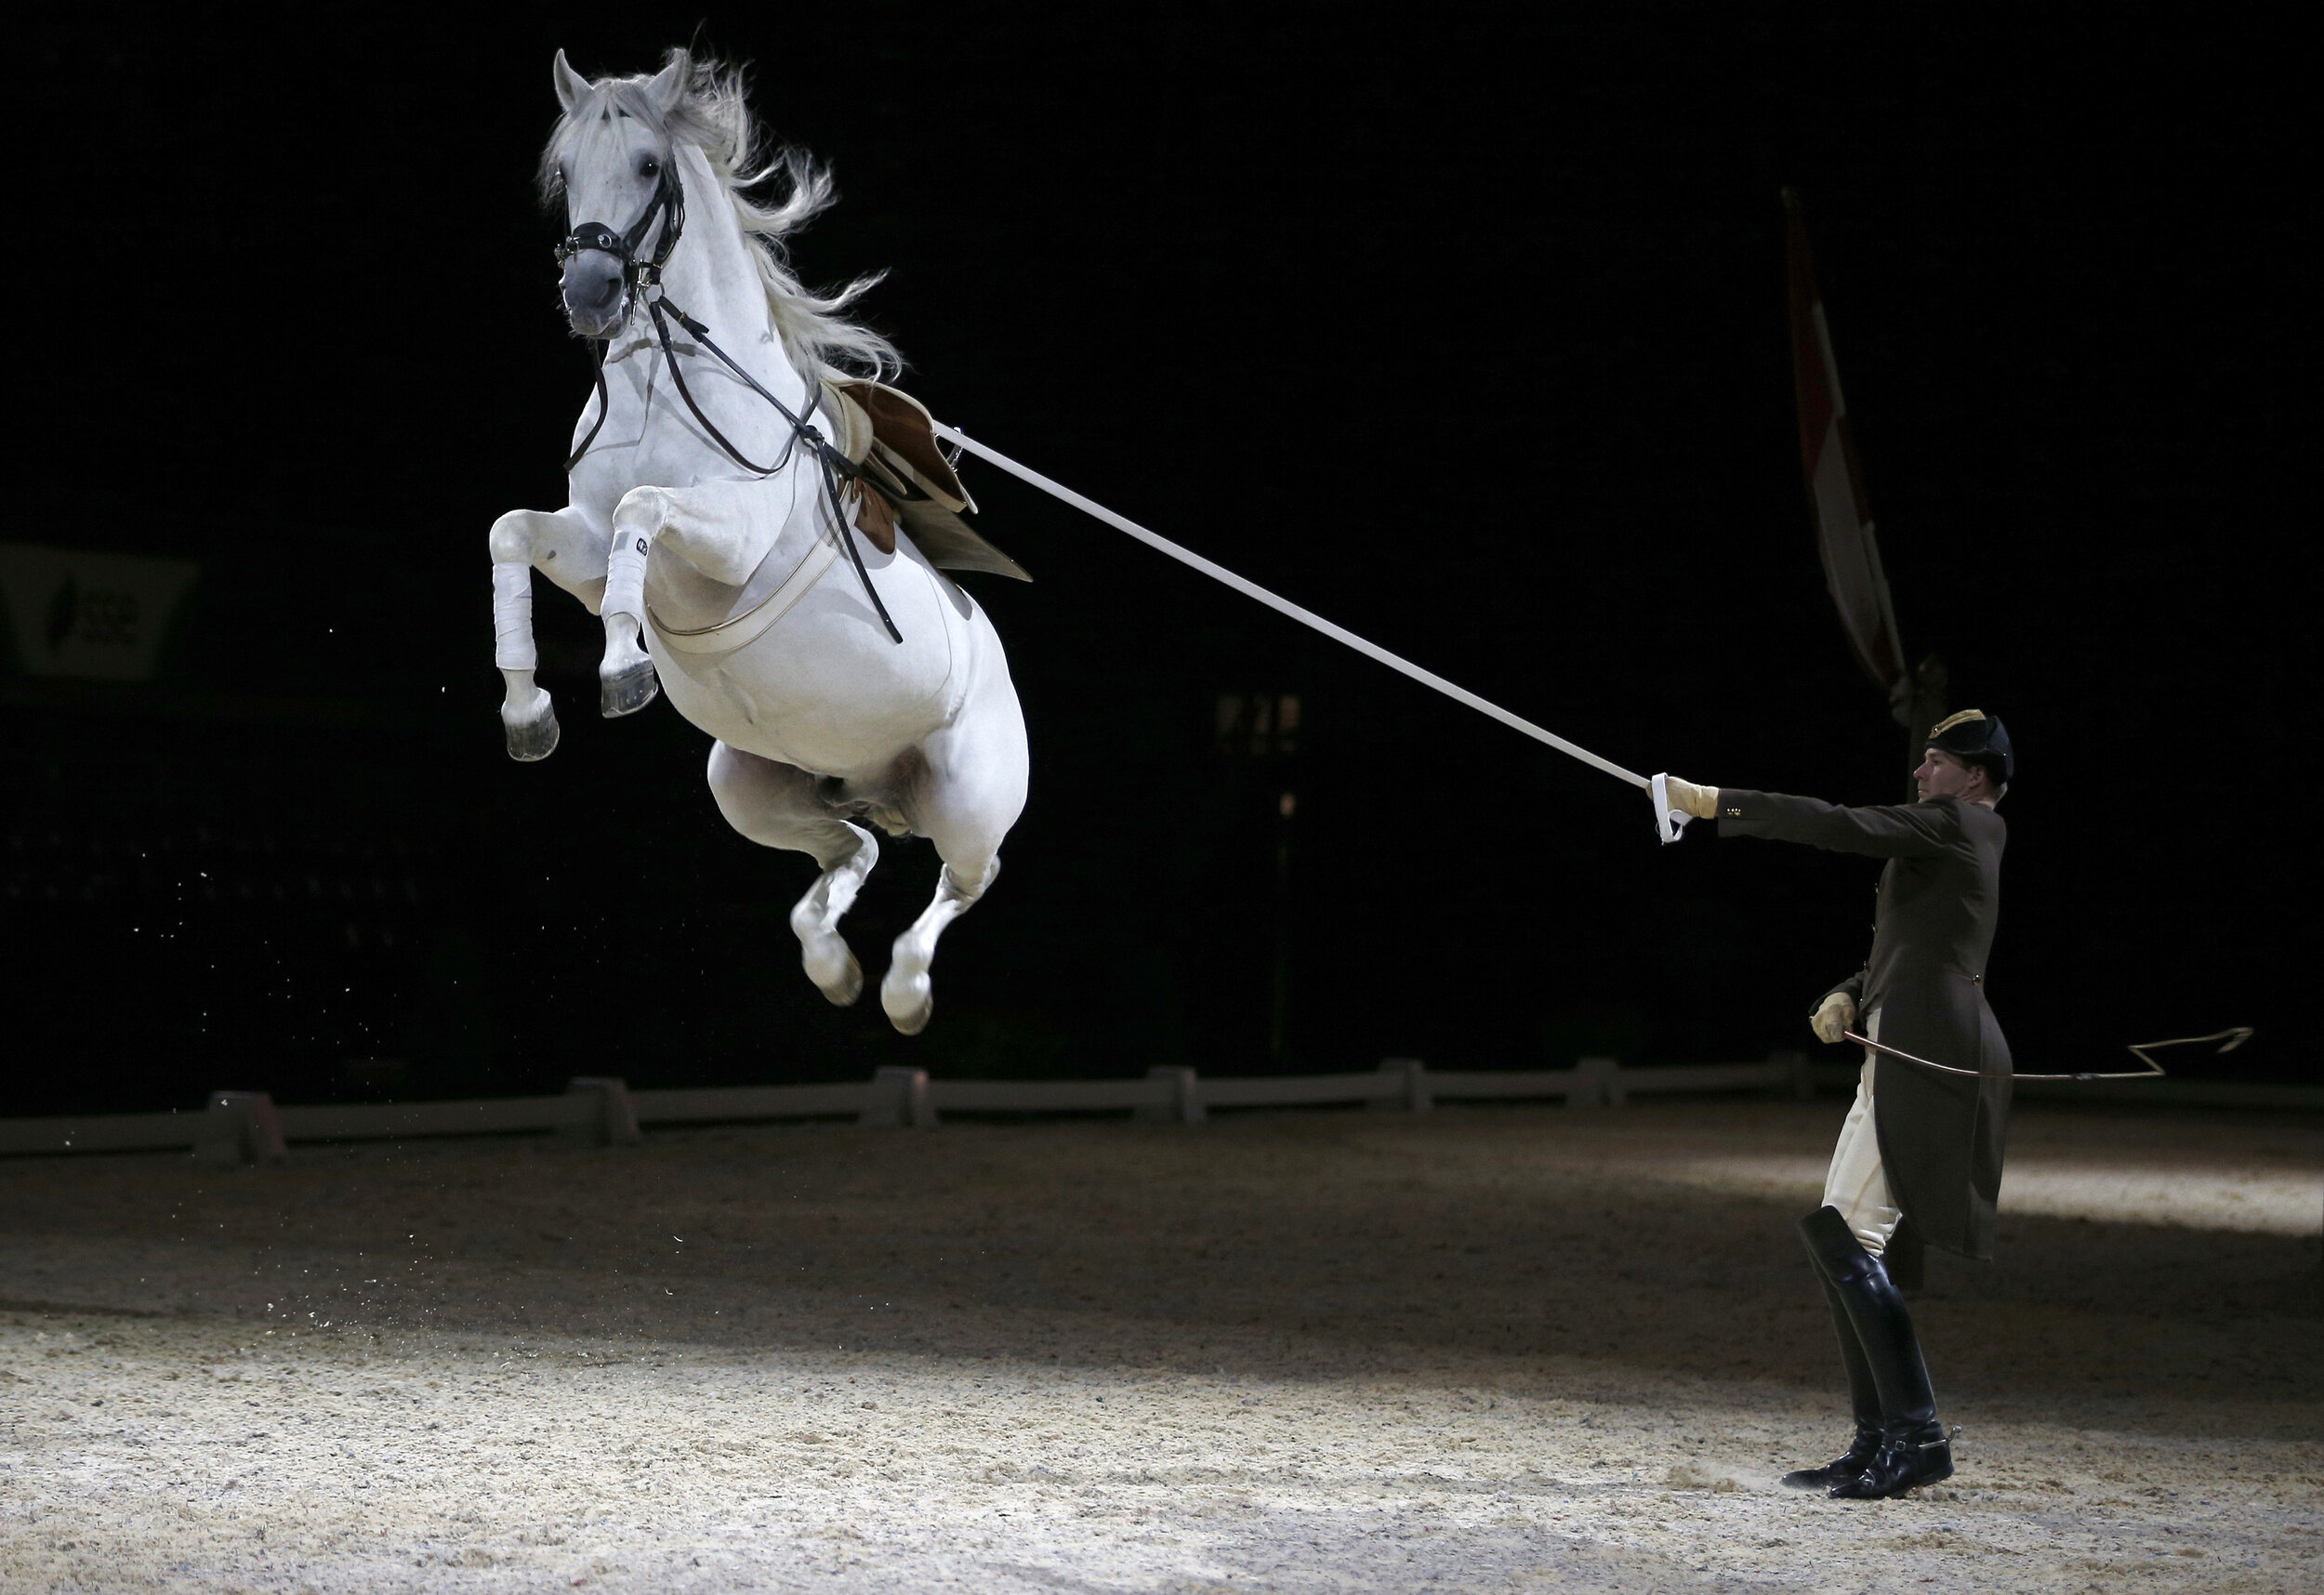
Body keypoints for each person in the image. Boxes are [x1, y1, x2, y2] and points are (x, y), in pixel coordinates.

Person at [1662, 709, 2014, 1500]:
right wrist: (1849, 992)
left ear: (1976, 777)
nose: (1921, 773)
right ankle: (1873, 1440)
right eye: (1922, 761)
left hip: (1932, 1053)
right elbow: (1908, 946)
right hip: (1893, 1041)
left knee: (1850, 1238)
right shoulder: (1949, 832)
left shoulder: (1967, 825)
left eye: (1937, 761)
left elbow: (1839, 825)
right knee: (1841, 1239)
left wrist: (1716, 802)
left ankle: (1917, 1438)